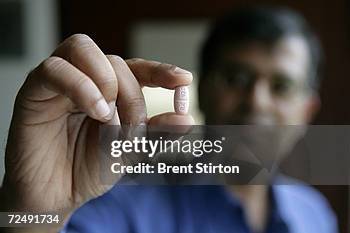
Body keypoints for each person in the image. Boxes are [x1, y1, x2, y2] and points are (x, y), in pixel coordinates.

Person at [0, 6, 338, 233]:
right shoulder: (122, 204)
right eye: (236, 78)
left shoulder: (316, 215)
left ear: (307, 111)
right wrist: (34, 213)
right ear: (203, 90)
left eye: (281, 86)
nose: (256, 101)